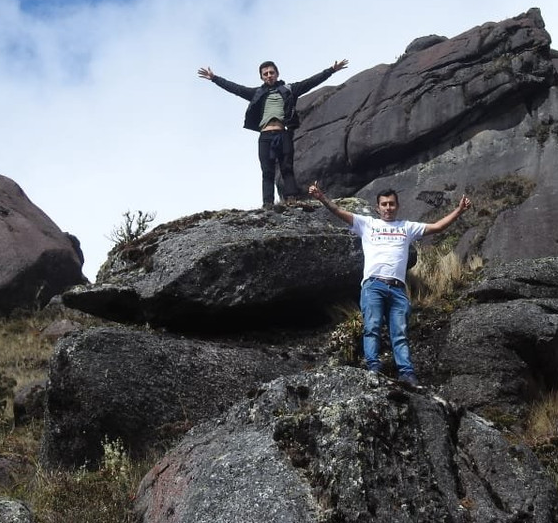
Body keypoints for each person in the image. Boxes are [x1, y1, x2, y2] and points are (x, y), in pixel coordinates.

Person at [308, 181, 472, 388]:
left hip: (398, 288)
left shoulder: (407, 227)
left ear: (397, 206)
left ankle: (407, 373)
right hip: (373, 285)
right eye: (384, 204)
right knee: (372, 327)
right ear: (377, 208)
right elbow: (338, 211)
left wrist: (459, 210)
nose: (388, 208)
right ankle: (373, 369)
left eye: (391, 204)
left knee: (400, 332)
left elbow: (438, 227)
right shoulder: (367, 224)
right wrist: (321, 197)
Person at [199, 59, 348, 207]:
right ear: (262, 77)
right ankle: (268, 203)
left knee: (287, 168)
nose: (269, 75)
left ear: (277, 74)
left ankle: (292, 199)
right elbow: (235, 88)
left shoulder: (289, 89)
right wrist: (214, 78)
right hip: (265, 136)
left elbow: (311, 82)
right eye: (265, 74)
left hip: (283, 134)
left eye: (271, 72)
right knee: (267, 171)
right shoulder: (257, 93)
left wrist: (331, 70)